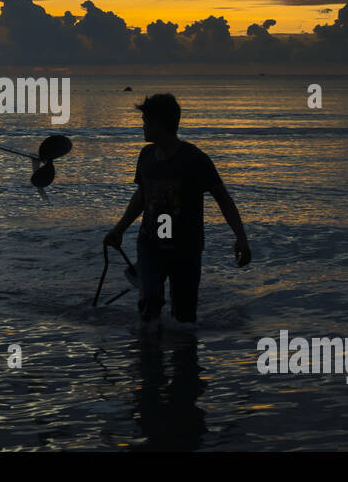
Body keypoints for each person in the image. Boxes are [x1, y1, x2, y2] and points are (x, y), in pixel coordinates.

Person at [104, 93, 251, 329]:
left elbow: (223, 198)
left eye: (146, 121)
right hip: (150, 244)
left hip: (186, 248)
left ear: (160, 124)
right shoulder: (146, 156)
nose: (142, 126)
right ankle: (147, 356)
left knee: (185, 320)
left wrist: (241, 239)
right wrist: (118, 229)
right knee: (150, 302)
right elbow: (142, 196)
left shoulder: (195, 160)